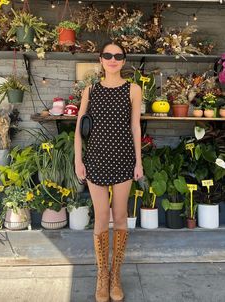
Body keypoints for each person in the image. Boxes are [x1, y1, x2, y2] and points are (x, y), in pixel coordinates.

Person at [74, 40, 143, 302]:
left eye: (118, 55)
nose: (113, 59)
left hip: (124, 158)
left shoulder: (133, 90)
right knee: (101, 217)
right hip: (96, 160)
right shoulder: (90, 90)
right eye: (108, 55)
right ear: (100, 59)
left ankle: (116, 276)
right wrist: (78, 161)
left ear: (124, 61)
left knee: (120, 215)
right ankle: (102, 276)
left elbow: (136, 127)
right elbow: (80, 129)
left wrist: (138, 161)